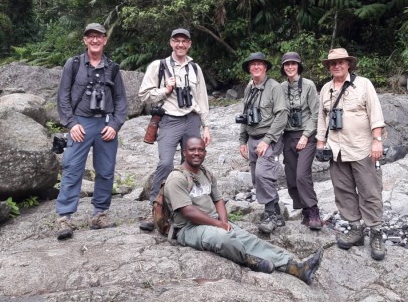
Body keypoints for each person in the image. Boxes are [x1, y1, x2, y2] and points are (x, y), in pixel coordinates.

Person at [164, 136, 323, 284]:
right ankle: (250, 260)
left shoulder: (206, 173)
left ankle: (295, 268)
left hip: (213, 221)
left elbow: (218, 199)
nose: (196, 153)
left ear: (205, 152)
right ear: (184, 152)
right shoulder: (177, 178)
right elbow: (187, 211)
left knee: (250, 240)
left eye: (200, 150)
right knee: (224, 239)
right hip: (189, 228)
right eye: (192, 150)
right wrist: (218, 225)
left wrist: (224, 222)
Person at [55, 23, 128, 240]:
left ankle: (100, 214)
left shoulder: (113, 68)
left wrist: (114, 125)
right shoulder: (74, 64)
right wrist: (71, 123)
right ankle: (64, 218)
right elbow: (63, 96)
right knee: (72, 169)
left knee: (105, 171)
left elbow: (121, 101)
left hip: (105, 125)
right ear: (84, 40)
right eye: (90, 37)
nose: (95, 40)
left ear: (105, 40)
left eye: (99, 37)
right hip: (81, 124)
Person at [316, 48, 387, 260]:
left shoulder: (364, 84)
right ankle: (356, 229)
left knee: (370, 191)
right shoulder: (326, 89)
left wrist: (377, 141)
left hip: (362, 148)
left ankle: (376, 232)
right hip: (336, 150)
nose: (336, 66)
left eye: (341, 62)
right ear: (329, 67)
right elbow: (322, 118)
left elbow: (376, 114)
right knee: (343, 191)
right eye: (332, 63)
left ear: (348, 64)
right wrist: (320, 142)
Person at [138, 28, 211, 232]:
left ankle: (186, 209)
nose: (181, 45)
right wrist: (165, 89)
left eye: (184, 41)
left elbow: (202, 99)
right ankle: (156, 209)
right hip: (169, 119)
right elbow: (144, 95)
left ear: (189, 44)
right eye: (177, 41)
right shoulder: (158, 66)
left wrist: (206, 126)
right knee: (165, 163)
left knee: (190, 165)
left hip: (192, 119)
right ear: (171, 43)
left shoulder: (195, 68)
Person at [238, 52, 288, 234]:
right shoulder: (249, 88)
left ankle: (270, 215)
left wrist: (267, 140)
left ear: (265, 67)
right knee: (255, 177)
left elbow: (282, 115)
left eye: (260, 64)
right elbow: (245, 115)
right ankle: (276, 213)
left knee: (263, 174)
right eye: (253, 65)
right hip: (252, 138)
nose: (256, 67)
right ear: (249, 69)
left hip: (269, 138)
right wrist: (242, 140)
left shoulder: (274, 87)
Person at [280, 52, 322, 230]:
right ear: (283, 67)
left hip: (306, 135)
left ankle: (313, 211)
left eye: (293, 64)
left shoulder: (309, 85)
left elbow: (316, 113)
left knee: (302, 175)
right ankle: (304, 211)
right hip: (287, 136)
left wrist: (306, 136)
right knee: (291, 178)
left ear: (298, 66)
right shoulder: (280, 87)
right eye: (287, 64)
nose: (290, 67)